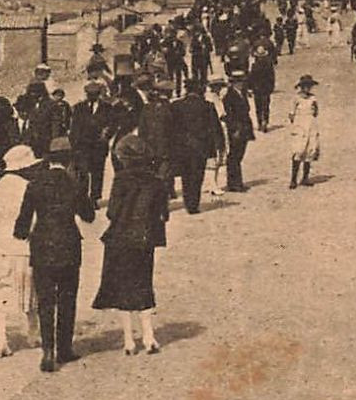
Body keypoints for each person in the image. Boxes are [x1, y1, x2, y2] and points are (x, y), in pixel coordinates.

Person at [15, 137, 96, 371]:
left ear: (48, 160)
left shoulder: (35, 185)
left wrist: (26, 234)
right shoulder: (74, 184)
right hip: (69, 245)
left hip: (42, 247)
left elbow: (21, 227)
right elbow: (89, 216)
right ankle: (64, 348)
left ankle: (47, 350)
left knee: (46, 301)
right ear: (69, 159)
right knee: (67, 298)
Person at [93, 131, 167, 356]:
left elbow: (112, 212)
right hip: (145, 240)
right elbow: (163, 213)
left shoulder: (121, 179)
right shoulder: (157, 181)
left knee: (121, 288)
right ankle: (149, 336)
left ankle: (128, 340)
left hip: (120, 239)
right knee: (143, 284)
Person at [0, 144, 40, 358]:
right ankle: (33, 333)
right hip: (21, 244)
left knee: (0, 291)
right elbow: (32, 219)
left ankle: (1, 338)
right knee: (29, 289)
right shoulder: (27, 186)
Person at [170, 78, 224, 213]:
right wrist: (219, 146)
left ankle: (188, 201)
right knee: (197, 176)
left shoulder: (176, 105)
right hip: (201, 148)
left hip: (182, 148)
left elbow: (171, 128)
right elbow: (215, 128)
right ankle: (193, 204)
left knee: (185, 175)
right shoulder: (207, 106)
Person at [70, 80, 115, 206]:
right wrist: (74, 145)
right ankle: (83, 198)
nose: (92, 96)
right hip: (83, 146)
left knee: (97, 173)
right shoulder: (79, 108)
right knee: (83, 173)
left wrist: (106, 135)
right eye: (89, 94)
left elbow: (112, 125)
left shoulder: (107, 108)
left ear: (99, 94)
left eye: (94, 94)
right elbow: (74, 128)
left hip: (99, 146)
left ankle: (95, 198)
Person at [285, 74, 321, 190]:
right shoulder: (296, 98)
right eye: (305, 86)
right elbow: (291, 114)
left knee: (310, 150)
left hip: (311, 124)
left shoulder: (313, 98)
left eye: (309, 86)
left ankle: (305, 178)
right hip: (300, 125)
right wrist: (296, 123)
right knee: (298, 150)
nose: (307, 88)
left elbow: (316, 112)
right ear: (301, 87)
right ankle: (293, 179)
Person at [223, 71, 255, 192]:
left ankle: (236, 182)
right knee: (234, 156)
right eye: (240, 81)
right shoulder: (229, 96)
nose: (242, 84)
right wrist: (234, 129)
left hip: (244, 128)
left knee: (238, 155)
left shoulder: (241, 94)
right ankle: (234, 183)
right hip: (236, 129)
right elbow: (229, 115)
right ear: (234, 83)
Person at [248, 40, 277, 128]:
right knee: (265, 105)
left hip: (257, 88)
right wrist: (271, 87)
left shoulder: (254, 65)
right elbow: (272, 77)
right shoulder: (268, 64)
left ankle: (260, 121)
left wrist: (250, 88)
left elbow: (251, 77)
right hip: (265, 88)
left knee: (259, 105)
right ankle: (264, 120)